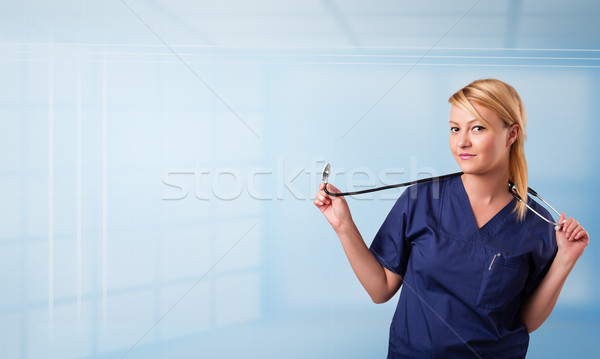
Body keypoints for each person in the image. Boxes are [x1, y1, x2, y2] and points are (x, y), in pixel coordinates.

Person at [314, 79, 589, 358]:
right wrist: (343, 225)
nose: (462, 142)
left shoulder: (538, 224)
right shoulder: (420, 201)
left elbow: (525, 321)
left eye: (478, 128)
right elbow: (380, 289)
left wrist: (566, 258)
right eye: (455, 129)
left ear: (511, 134)